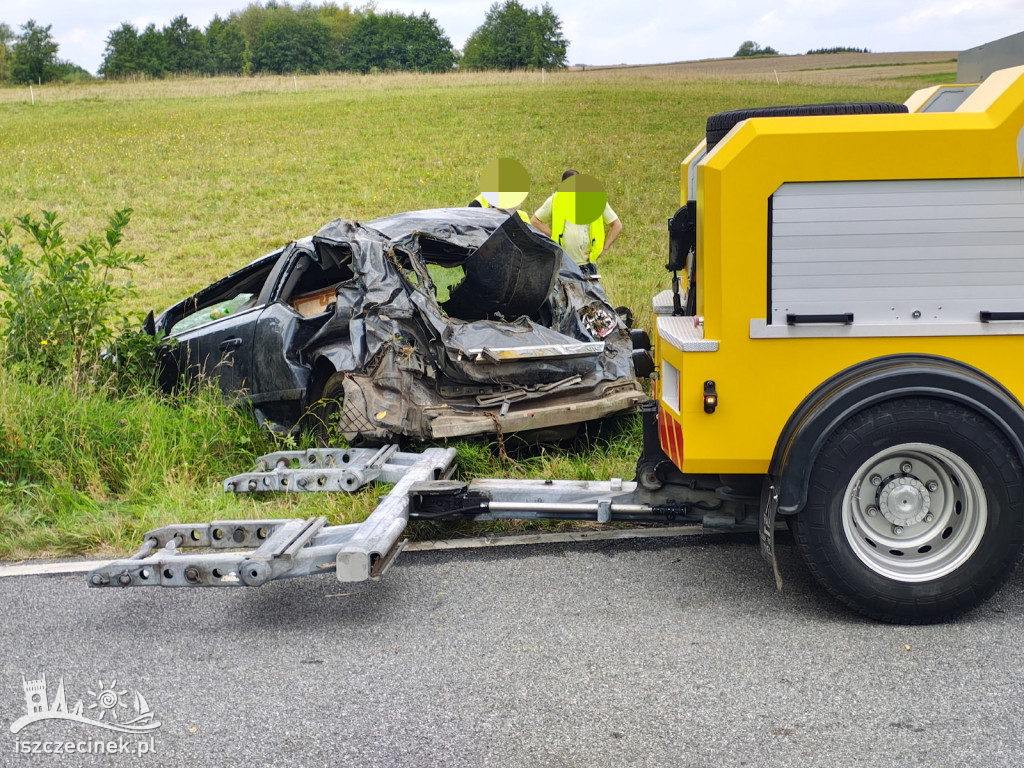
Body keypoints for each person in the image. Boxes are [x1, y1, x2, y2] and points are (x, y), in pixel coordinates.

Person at [531, 169, 622, 275]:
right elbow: (535, 220)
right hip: (562, 264)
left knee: (587, 292)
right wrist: (553, 235)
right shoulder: (555, 200)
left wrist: (604, 249)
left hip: (586, 265)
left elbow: (617, 225)